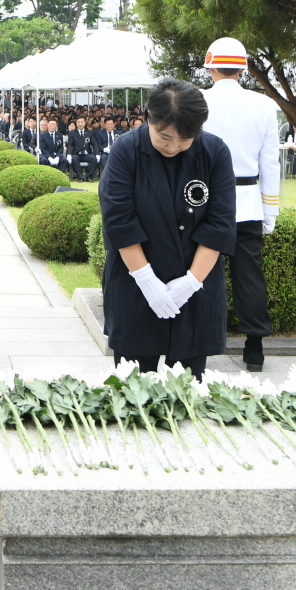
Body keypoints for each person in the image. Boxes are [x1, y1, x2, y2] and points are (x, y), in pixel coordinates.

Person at [98, 78, 236, 380]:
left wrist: (190, 283)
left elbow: (219, 223)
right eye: (164, 137)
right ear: (149, 118)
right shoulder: (126, 151)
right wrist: (147, 281)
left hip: (195, 283)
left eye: (185, 140)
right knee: (134, 388)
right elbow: (120, 220)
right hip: (135, 282)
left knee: (188, 387)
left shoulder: (214, 152)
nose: (174, 147)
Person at [201, 37, 281, 372]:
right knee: (250, 276)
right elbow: (271, 162)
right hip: (248, 203)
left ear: (210, 66)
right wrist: (271, 210)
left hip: (205, 202)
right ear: (244, 69)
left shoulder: (198, 100)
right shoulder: (263, 105)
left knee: (202, 274)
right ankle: (254, 349)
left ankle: (201, 344)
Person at [68, 117, 98, 182]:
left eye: (82, 122)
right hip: (77, 154)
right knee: (74, 159)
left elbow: (94, 144)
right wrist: (69, 154)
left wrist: (97, 154)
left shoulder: (90, 132)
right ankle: (80, 177)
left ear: (85, 123)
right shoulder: (72, 133)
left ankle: (89, 177)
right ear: (76, 123)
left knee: (93, 158)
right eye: (78, 122)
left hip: (87, 154)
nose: (80, 124)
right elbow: (70, 144)